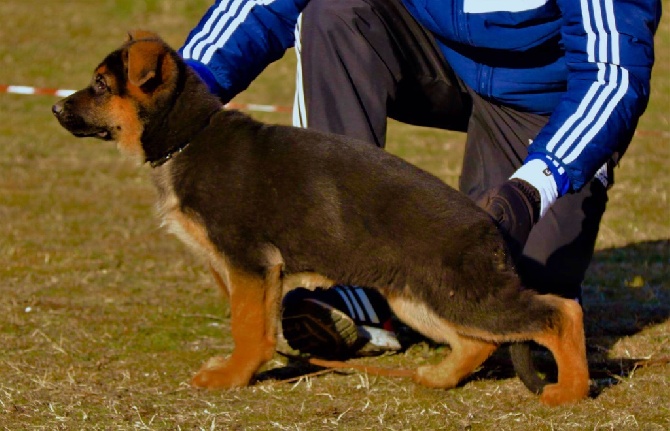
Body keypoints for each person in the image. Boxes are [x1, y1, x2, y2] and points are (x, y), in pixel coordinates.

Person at [180, 0, 661, 358]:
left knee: (498, 305)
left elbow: (613, 75)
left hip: (544, 100)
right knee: (334, 12)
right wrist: (180, 94)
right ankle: (351, 282)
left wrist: (533, 188)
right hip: (433, 54)